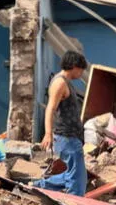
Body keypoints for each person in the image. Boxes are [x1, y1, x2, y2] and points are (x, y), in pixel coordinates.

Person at [35, 51, 88, 196]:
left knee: (73, 174)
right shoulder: (59, 83)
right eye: (81, 69)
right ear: (74, 67)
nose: (81, 73)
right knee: (78, 179)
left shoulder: (66, 83)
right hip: (67, 137)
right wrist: (47, 133)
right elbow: (50, 109)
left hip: (71, 137)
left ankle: (39, 186)